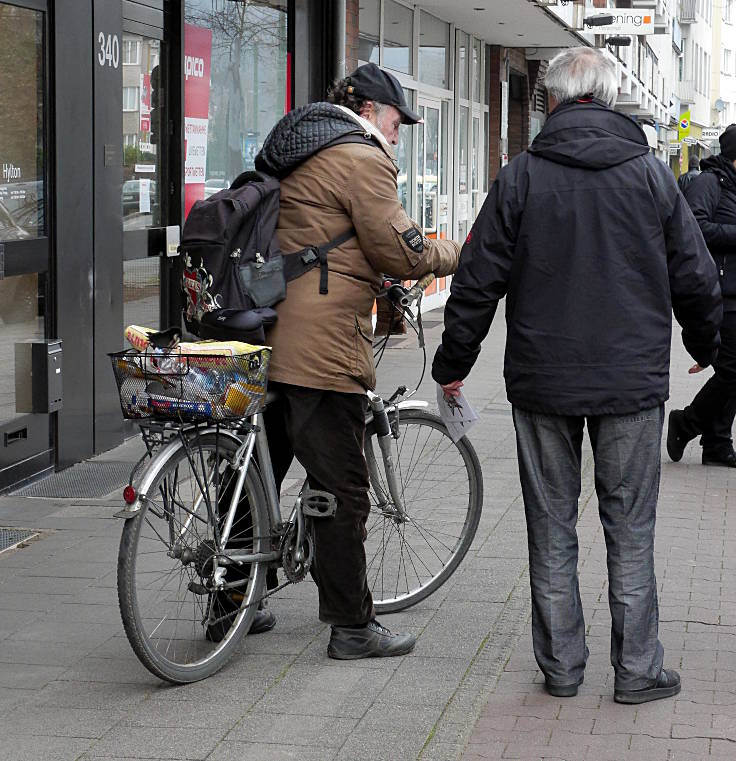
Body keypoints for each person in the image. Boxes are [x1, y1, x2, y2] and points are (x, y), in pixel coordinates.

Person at [432, 47, 721, 703]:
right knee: (631, 528)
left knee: (552, 527)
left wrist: (453, 365)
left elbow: (477, 282)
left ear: (554, 102)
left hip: (542, 381)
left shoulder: (520, 176)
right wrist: (706, 345)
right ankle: (637, 669)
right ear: (611, 98)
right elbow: (696, 277)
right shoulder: (650, 176)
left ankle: (562, 667)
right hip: (630, 383)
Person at [250, 63, 460, 658]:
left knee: (259, 478)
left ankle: (229, 598)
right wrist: (454, 254)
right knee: (341, 488)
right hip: (320, 349)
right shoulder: (361, 158)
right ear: (369, 111)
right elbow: (398, 247)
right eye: (397, 121)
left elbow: (334, 239)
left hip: (269, 333)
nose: (399, 133)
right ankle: (352, 626)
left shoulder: (297, 147)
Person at [667, 125, 736, 467]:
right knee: (732, 371)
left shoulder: (733, 188)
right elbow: (694, 227)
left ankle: (717, 444)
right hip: (721, 292)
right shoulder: (710, 183)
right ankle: (687, 422)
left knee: (729, 370)